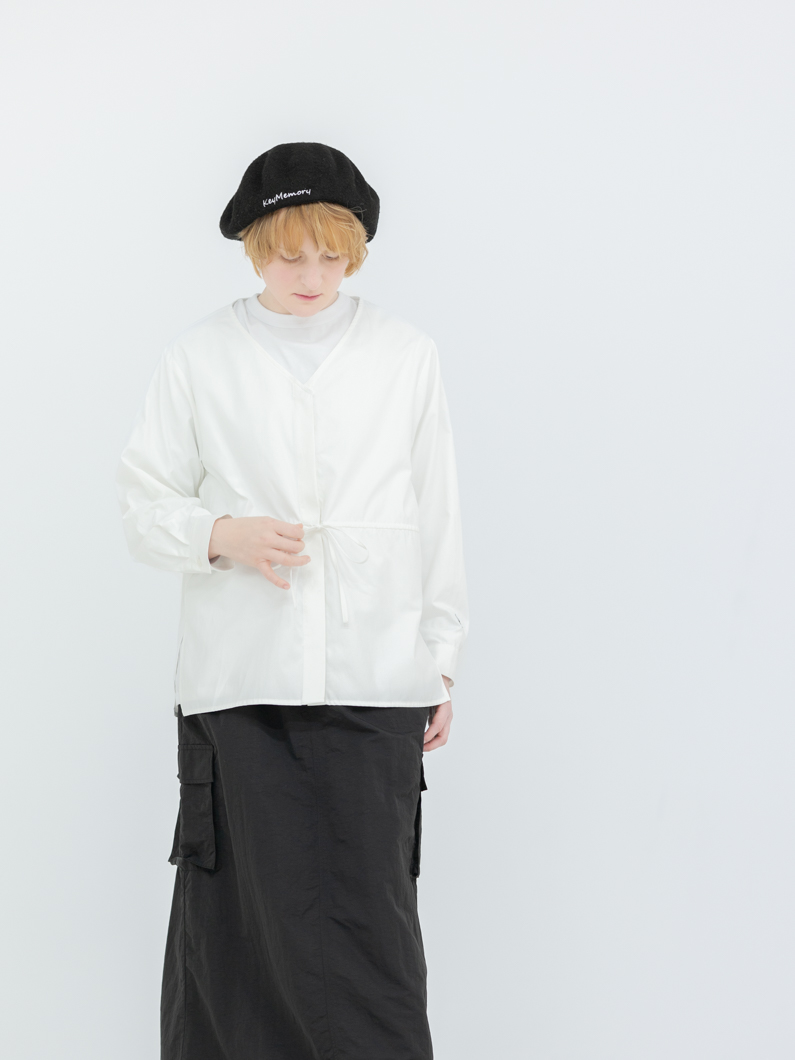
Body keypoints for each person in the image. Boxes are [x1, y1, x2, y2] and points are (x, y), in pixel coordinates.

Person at [115, 141, 469, 1060]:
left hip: (374, 678)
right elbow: (143, 503)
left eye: (330, 255)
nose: (310, 275)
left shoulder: (403, 353)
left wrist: (440, 656)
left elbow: (435, 510)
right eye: (288, 254)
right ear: (253, 249)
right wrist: (220, 533)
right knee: (233, 933)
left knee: (369, 933)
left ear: (355, 253)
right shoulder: (202, 355)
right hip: (242, 681)